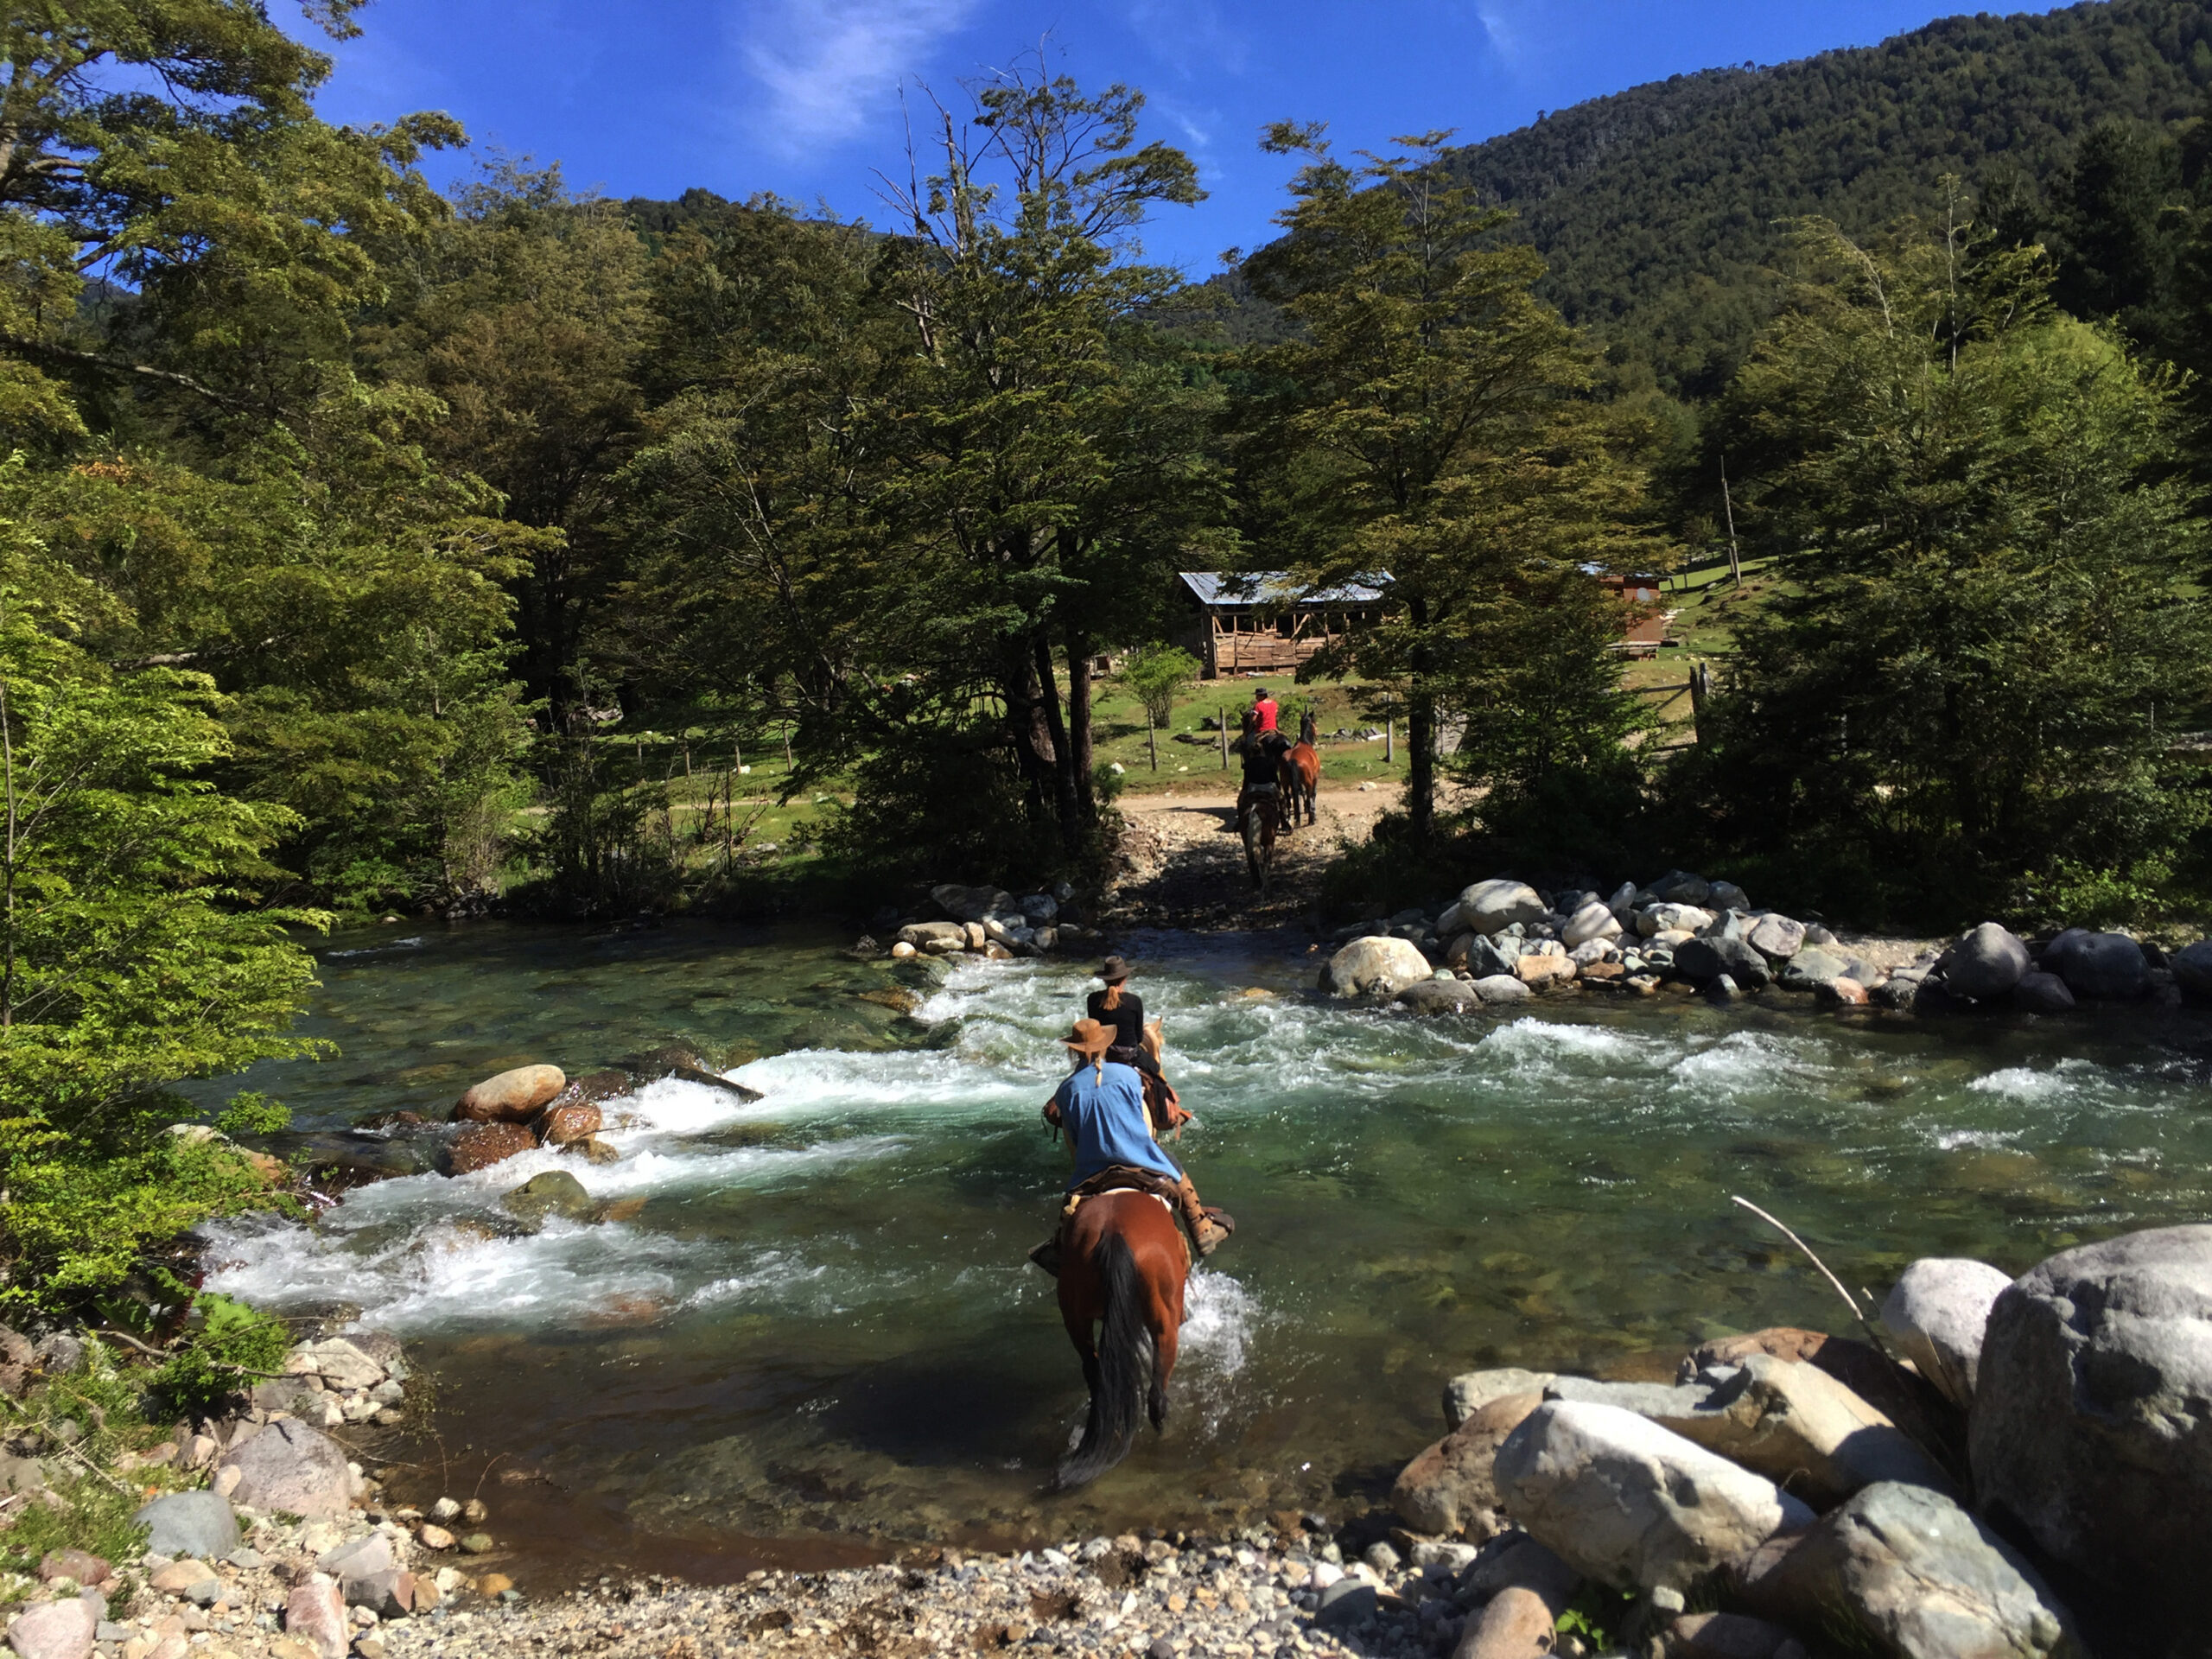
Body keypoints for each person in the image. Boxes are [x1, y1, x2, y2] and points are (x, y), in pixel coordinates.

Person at [1031, 1018, 1231, 1273]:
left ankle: (1060, 1252)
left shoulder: (1066, 1090)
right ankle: (1202, 1231)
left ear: (1074, 1051)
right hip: (1139, 1158)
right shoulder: (1128, 1075)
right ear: (1105, 1045)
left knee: (1069, 1210)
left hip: (1092, 1170)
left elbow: (1075, 1142)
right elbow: (1138, 1118)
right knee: (1175, 1167)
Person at [1088, 956, 1191, 1137]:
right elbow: (1137, 1036)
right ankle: (1164, 1116)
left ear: (1105, 980)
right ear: (1124, 979)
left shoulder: (1093, 1000)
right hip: (1130, 1056)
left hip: (1104, 1056)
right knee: (1157, 1074)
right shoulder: (1134, 1001)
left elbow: (1094, 1030)